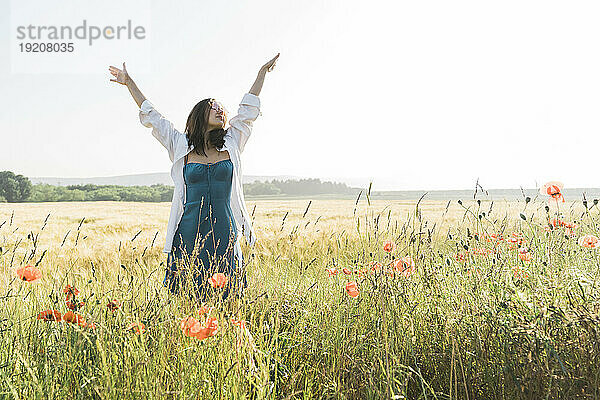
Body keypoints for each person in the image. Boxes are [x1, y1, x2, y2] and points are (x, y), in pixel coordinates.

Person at [108, 53, 280, 301]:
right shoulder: (179, 144)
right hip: (189, 231)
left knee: (229, 295)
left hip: (225, 229)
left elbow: (248, 110)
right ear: (200, 114)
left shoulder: (232, 142)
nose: (221, 110)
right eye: (214, 106)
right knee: (189, 294)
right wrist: (129, 82)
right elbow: (153, 117)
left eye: (222, 107)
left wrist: (262, 72)